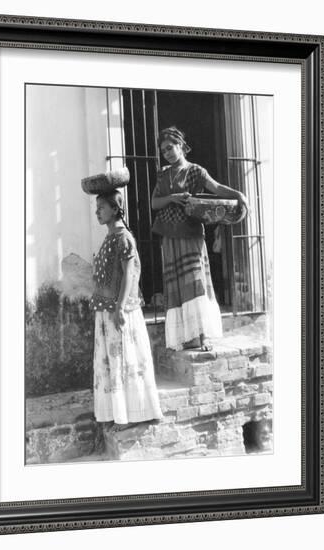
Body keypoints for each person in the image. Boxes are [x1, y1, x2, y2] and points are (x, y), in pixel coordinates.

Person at [151, 126, 249, 352]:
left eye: (170, 148)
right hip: (169, 236)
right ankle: (186, 337)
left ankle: (203, 336)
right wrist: (173, 197)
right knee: (176, 284)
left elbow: (216, 188)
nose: (166, 153)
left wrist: (238, 195)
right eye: (163, 150)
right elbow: (154, 203)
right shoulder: (163, 174)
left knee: (196, 282)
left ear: (181, 146)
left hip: (191, 233)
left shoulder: (195, 171)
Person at [89, 190, 162, 430]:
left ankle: (131, 414)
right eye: (97, 207)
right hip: (107, 309)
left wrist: (120, 307)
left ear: (115, 209)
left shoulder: (123, 238)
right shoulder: (111, 237)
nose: (97, 211)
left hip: (120, 312)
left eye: (101, 207)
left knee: (124, 360)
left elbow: (129, 273)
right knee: (111, 362)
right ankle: (116, 412)